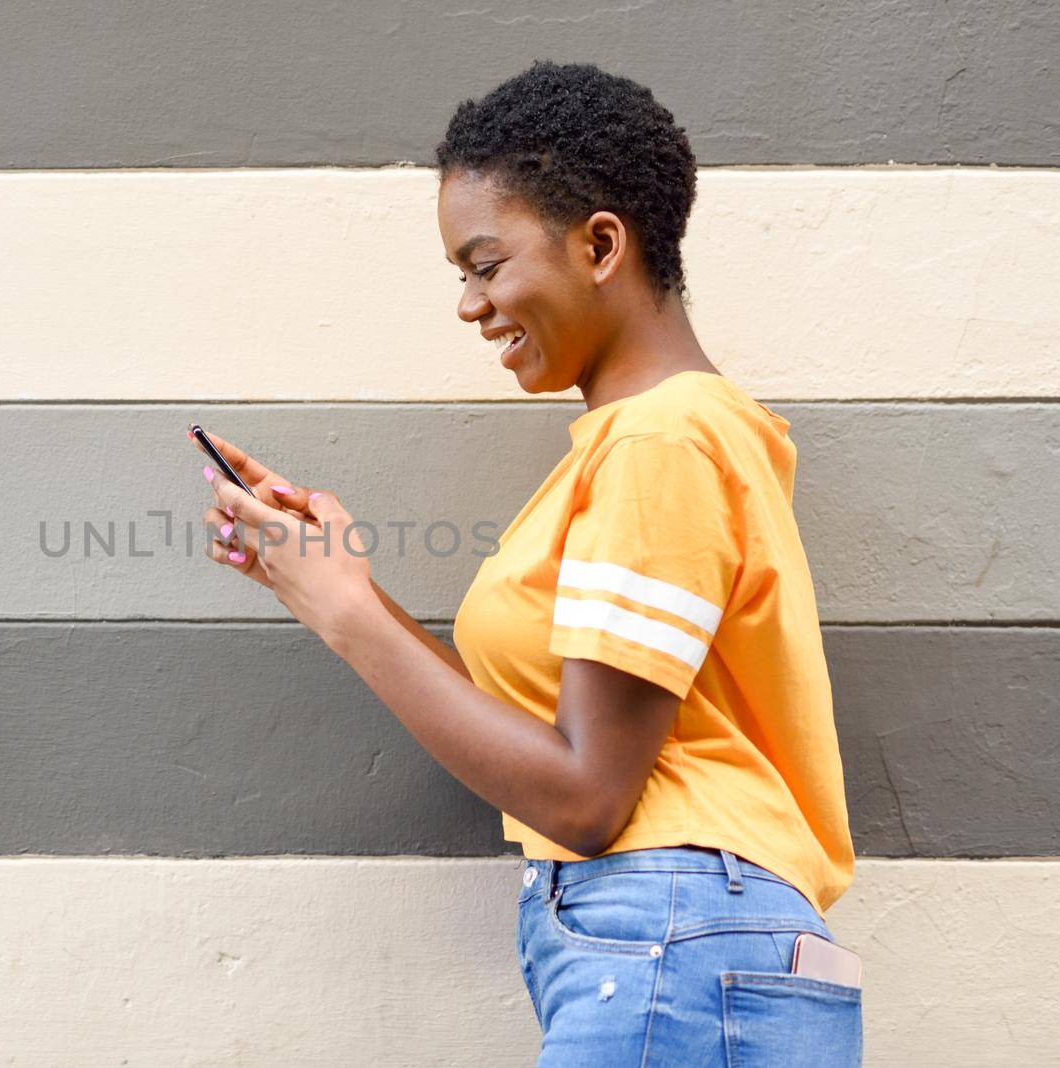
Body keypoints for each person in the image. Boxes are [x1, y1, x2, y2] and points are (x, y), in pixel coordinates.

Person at [189, 60, 861, 1065]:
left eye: (485, 264)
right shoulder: (650, 445)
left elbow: (586, 798)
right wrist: (342, 581)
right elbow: (553, 744)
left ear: (598, 244)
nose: (469, 304)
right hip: (685, 946)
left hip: (667, 939)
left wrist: (346, 615)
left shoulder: (659, 442)